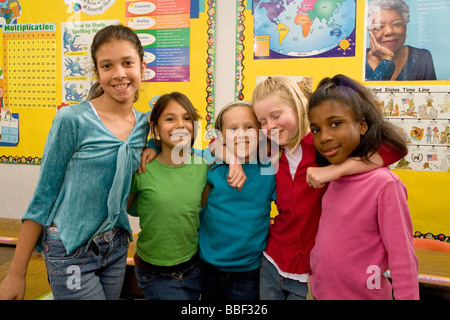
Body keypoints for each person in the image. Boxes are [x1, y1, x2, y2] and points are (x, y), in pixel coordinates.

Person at [0, 24, 149, 300]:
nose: (119, 74)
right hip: (69, 250)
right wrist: (16, 274)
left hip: (115, 247)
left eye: (127, 62)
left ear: (142, 65)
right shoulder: (72, 120)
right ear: (97, 72)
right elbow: (43, 198)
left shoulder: (144, 125)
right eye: (107, 66)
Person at [251, 75, 405, 300]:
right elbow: (220, 142)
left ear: (298, 108)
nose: (269, 126)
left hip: (312, 274)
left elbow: (393, 148)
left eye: (276, 116)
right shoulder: (272, 152)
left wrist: (335, 170)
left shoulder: (322, 144)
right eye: (262, 121)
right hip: (272, 262)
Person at [308, 74, 419, 299]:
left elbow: (403, 258)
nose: (324, 137)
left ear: (362, 126)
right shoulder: (331, 177)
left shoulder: (384, 184)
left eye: (335, 123)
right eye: (316, 129)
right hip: (320, 293)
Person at [127, 92, 208, 300]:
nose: (180, 125)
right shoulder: (141, 169)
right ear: (155, 128)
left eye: (187, 118)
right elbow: (123, 209)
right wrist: (149, 146)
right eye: (170, 119)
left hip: (195, 266)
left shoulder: (204, 167)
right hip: (155, 272)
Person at [198, 101, 276, 300]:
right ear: (222, 136)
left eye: (249, 127)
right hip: (208, 266)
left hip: (248, 271)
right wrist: (153, 146)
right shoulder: (212, 163)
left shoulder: (270, 169)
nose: (241, 134)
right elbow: (183, 149)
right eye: (233, 129)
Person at [366, 0, 436, 81]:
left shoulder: (421, 57)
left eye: (396, 24)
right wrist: (386, 60)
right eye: (379, 26)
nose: (389, 31)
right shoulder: (359, 59)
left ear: (405, 28)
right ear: (370, 31)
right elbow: (365, 93)